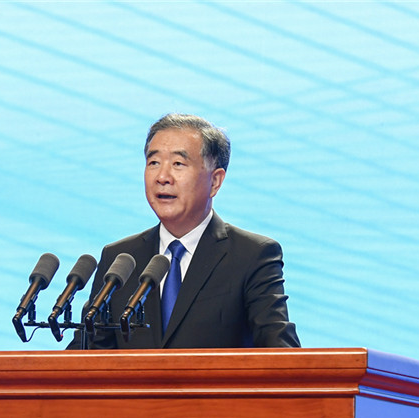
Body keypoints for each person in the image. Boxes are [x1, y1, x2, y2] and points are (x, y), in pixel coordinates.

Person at [67, 113, 299, 349]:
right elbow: (87, 353)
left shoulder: (251, 255)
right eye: (154, 163)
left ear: (215, 181)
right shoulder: (121, 259)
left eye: (178, 164)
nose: (162, 177)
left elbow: (281, 352)